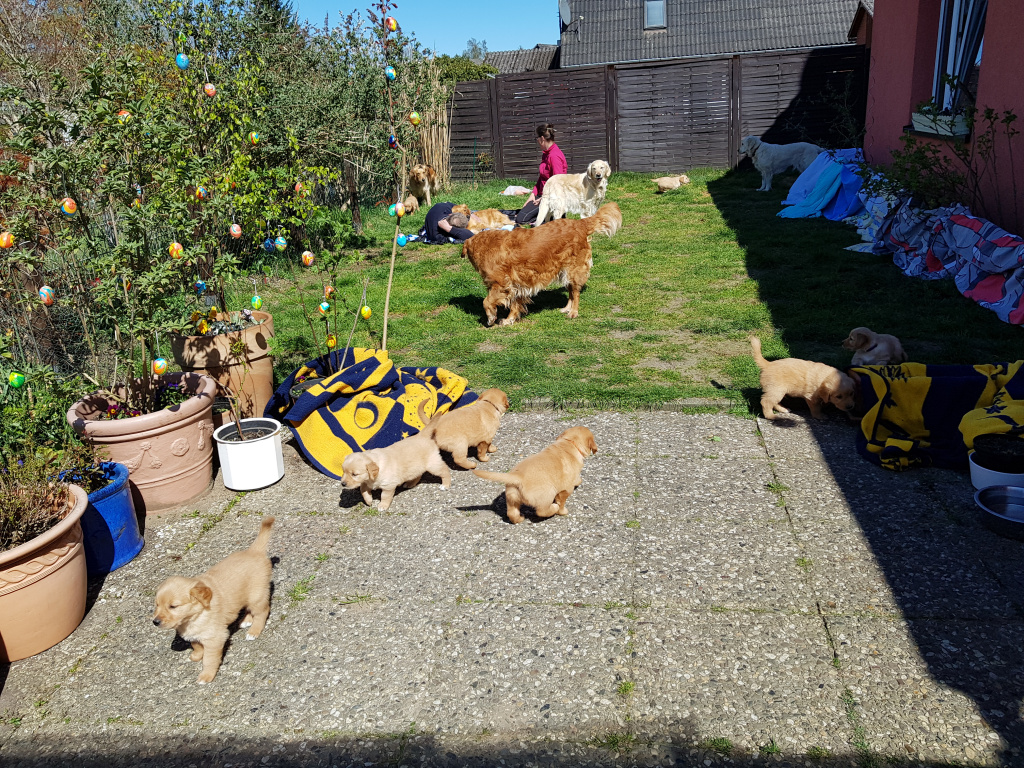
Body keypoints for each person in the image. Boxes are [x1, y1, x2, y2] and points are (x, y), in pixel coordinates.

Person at [514, 123, 568, 226]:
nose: (537, 141)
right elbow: (542, 177)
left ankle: (551, 217)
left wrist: (543, 199)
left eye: (537, 138)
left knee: (521, 219)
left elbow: (558, 183)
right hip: (541, 195)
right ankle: (546, 217)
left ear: (542, 138)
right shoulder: (546, 154)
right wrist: (533, 194)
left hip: (551, 198)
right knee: (521, 215)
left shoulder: (554, 156)